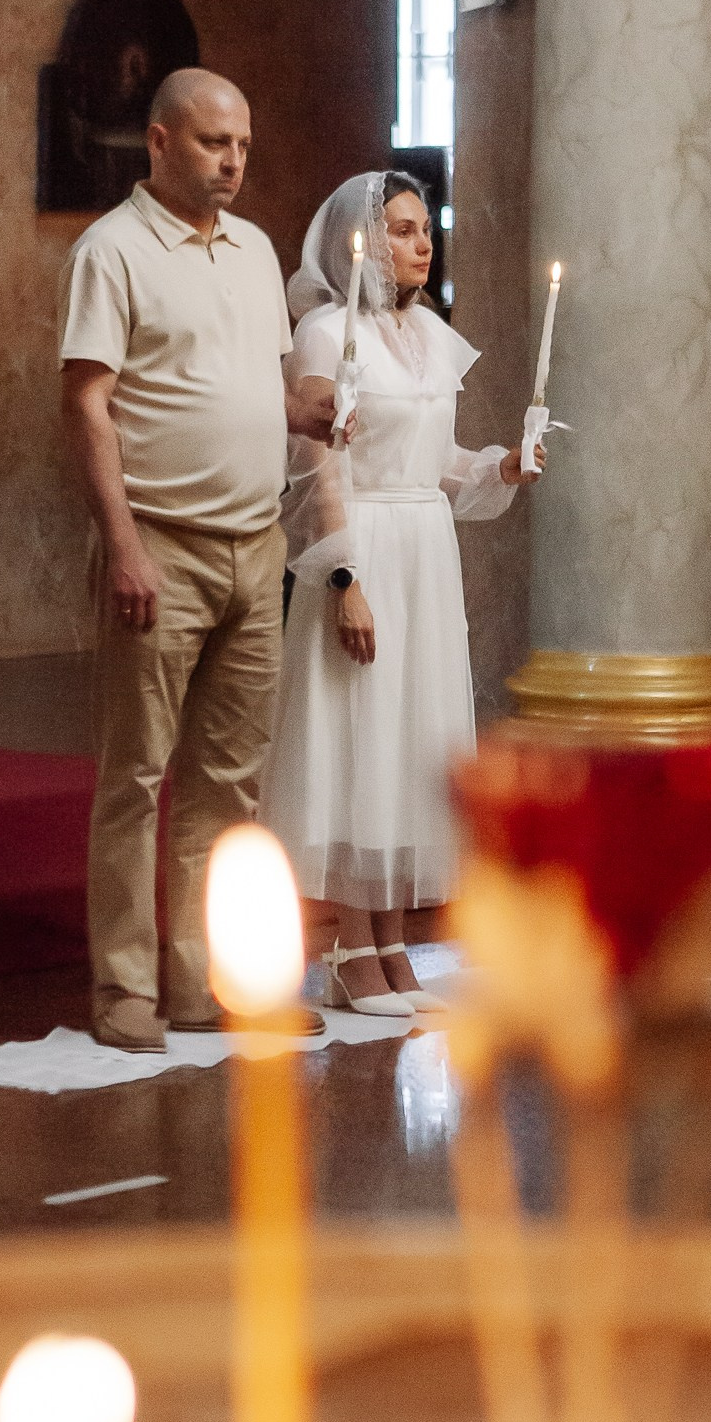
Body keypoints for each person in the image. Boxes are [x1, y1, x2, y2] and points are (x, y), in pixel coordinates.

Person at [59, 69, 337, 1053]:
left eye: (244, 146)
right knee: (137, 774)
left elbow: (258, 383)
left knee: (229, 783)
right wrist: (123, 544)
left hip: (255, 545)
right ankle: (124, 986)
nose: (233, 161)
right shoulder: (111, 251)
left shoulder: (256, 250)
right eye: (215, 143)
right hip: (161, 547)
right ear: (160, 141)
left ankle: (202, 979)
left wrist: (308, 409)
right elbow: (87, 403)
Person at [258, 170, 537, 1011]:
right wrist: (344, 577)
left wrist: (501, 466)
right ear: (364, 240)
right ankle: (349, 948)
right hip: (365, 546)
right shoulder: (322, 332)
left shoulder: (430, 336)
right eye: (406, 229)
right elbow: (320, 466)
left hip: (424, 548)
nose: (423, 243)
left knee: (410, 742)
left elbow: (438, 464)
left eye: (425, 229)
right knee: (357, 735)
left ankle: (394, 946)